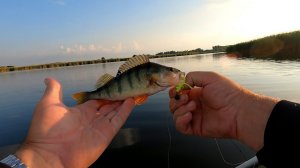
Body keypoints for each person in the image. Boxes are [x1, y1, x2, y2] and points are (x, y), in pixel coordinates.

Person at [1, 72, 299, 167]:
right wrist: (42, 155)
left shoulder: (158, 81)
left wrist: (41, 157)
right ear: (160, 74)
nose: (176, 75)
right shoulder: (155, 77)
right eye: (171, 71)